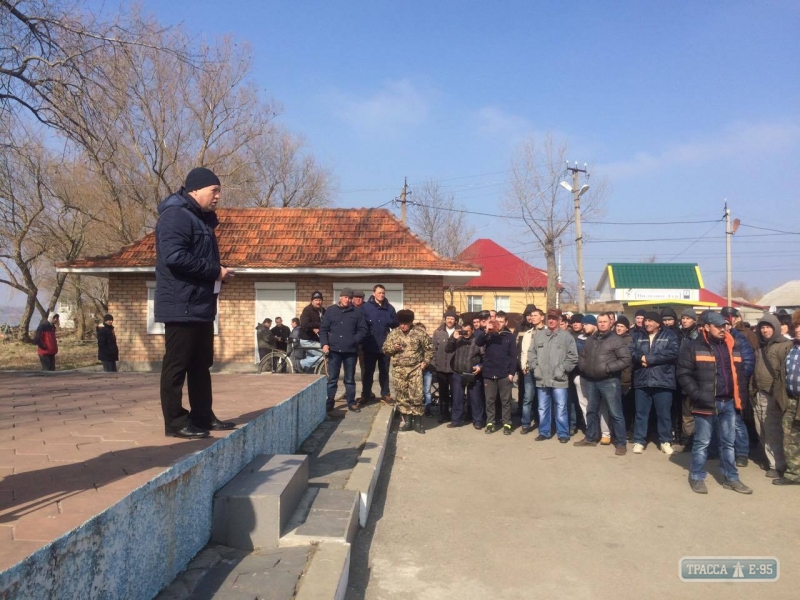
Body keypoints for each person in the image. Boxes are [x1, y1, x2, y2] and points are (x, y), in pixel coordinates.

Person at [155, 167, 235, 439]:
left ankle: (202, 416)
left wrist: (219, 271)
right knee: (177, 365)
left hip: (200, 306)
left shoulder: (201, 221)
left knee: (201, 364)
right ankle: (175, 422)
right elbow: (174, 257)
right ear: (195, 190)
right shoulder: (176, 215)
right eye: (214, 190)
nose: (218, 196)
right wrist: (215, 272)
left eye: (219, 191)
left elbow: (196, 260)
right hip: (181, 305)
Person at [677, 312, 753, 494]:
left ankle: (732, 478)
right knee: (702, 442)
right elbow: (683, 374)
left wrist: (740, 399)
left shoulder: (733, 345)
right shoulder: (692, 347)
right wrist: (698, 395)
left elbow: (740, 375)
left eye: (724, 325)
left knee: (728, 443)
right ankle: (696, 476)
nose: (722, 329)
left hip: (728, 402)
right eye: (718, 326)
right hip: (705, 403)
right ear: (706, 327)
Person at [574, 313, 631, 455]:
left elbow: (625, 359)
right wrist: (584, 367)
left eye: (605, 322)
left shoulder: (616, 340)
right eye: (600, 322)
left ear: (610, 323)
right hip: (591, 380)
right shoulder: (591, 339)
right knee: (591, 411)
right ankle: (590, 438)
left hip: (609, 381)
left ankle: (621, 443)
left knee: (616, 413)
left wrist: (608, 368)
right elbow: (582, 356)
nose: (602, 324)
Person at [630, 311, 679, 455]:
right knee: (641, 413)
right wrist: (641, 358)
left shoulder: (669, 335)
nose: (647, 323)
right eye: (646, 321)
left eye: (650, 321)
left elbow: (673, 352)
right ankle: (639, 441)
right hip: (642, 379)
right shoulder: (638, 336)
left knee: (664, 414)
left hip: (663, 380)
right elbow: (631, 351)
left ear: (658, 323)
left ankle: (665, 441)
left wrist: (650, 359)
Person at [528, 308, 578, 443]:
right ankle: (544, 431)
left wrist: (562, 369)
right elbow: (531, 353)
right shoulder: (539, 335)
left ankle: (563, 433)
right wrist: (535, 368)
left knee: (561, 407)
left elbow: (573, 357)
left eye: (554, 318)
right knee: (542, 407)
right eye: (549, 318)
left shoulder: (567, 337)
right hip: (542, 379)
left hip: (559, 379)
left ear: (559, 320)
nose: (551, 320)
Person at [752, 313, 792, 478]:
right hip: (758, 393)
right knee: (760, 428)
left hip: (774, 395)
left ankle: (778, 464)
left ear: (775, 328)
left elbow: (786, 372)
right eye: (762, 327)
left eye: (768, 327)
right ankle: (771, 460)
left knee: (773, 430)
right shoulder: (760, 347)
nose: (765, 330)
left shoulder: (785, 346)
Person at [383, 310, 433, 433]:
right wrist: (392, 348)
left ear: (410, 322)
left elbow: (430, 349)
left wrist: (425, 362)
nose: (402, 326)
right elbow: (385, 349)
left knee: (416, 396)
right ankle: (407, 422)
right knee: (402, 397)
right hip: (399, 370)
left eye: (405, 323)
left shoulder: (419, 333)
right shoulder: (394, 334)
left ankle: (418, 423)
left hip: (415, 369)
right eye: (401, 323)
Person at [320, 288, 368, 413]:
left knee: (349, 379)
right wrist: (324, 343)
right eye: (345, 297)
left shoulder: (357, 313)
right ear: (340, 297)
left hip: (350, 351)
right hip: (334, 350)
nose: (347, 300)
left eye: (349, 298)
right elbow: (323, 329)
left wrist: (354, 340)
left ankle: (351, 402)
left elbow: (363, 330)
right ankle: (330, 401)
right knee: (332, 379)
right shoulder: (330, 311)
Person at [477, 311, 516, 435]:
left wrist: (511, 373)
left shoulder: (509, 336)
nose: (498, 324)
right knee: (490, 400)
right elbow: (478, 343)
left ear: (506, 322)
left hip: (504, 373)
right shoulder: (489, 335)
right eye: (496, 321)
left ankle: (507, 423)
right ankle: (490, 423)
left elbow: (513, 356)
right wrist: (486, 331)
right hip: (489, 373)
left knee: (505, 401)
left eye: (501, 321)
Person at [361, 284, 399, 403]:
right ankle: (366, 394)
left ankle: (385, 394)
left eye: (383, 293)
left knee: (384, 371)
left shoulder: (390, 308)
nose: (381, 295)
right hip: (370, 345)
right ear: (374, 293)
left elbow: (395, 325)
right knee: (368, 372)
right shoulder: (366, 307)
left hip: (384, 346)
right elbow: (361, 326)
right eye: (379, 293)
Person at [775, 312, 800, 486]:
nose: (798, 330)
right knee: (790, 438)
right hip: (791, 400)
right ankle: (794, 474)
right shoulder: (791, 348)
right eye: (796, 326)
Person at [450, 322, 484, 428]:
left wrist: (480, 366)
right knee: (457, 398)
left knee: (475, 399)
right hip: (458, 373)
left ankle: (478, 421)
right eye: (463, 331)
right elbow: (448, 349)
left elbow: (485, 356)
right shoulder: (458, 339)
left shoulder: (478, 341)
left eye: (467, 331)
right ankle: (456, 420)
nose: (465, 333)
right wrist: (453, 339)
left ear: (472, 330)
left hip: (472, 373)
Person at [432, 309, 458, 422]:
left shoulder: (459, 331)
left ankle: (454, 415)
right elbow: (433, 350)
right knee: (443, 394)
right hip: (441, 368)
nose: (450, 321)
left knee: (455, 393)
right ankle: (444, 415)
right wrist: (434, 364)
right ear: (445, 319)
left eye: (452, 319)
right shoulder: (438, 332)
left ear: (455, 320)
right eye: (448, 318)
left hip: (454, 369)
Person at [519, 310, 539, 433]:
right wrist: (523, 366)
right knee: (528, 398)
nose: (532, 317)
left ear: (542, 317)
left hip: (543, 370)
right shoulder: (527, 333)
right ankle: (525, 424)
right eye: (531, 316)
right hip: (529, 370)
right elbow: (523, 351)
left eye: (535, 315)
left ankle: (542, 422)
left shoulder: (547, 331)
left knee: (543, 399)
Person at [615, 316, 635, 435]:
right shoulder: (612, 339)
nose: (619, 328)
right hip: (614, 377)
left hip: (626, 378)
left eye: (622, 326)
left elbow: (629, 360)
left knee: (627, 406)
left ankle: (628, 430)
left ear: (627, 328)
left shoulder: (630, 340)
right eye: (617, 326)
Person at [299, 291, 326, 372]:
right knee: (325, 354)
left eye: (320, 300)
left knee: (312, 361)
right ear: (312, 301)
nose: (318, 302)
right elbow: (305, 324)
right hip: (307, 340)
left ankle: (309, 374)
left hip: (316, 339)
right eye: (316, 300)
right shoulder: (307, 310)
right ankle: (301, 363)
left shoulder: (323, 310)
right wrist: (317, 325)